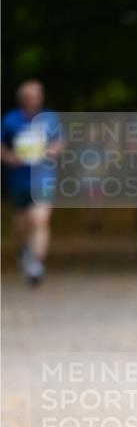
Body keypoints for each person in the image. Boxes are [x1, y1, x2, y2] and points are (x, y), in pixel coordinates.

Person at [1, 80, 62, 285]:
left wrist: (53, 150)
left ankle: (36, 264)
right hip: (19, 179)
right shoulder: (10, 120)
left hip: (43, 177)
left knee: (40, 219)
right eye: (29, 95)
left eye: (36, 95)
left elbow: (60, 141)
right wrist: (9, 157)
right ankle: (23, 251)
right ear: (22, 98)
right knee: (21, 226)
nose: (33, 99)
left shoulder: (50, 119)